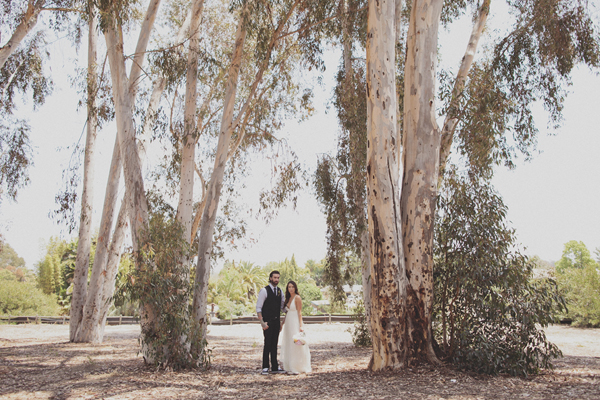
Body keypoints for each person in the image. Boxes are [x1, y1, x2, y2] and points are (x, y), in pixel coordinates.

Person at [256, 270, 286, 374]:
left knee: (274, 344)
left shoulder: (280, 291)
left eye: (278, 278)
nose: (276, 279)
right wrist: (262, 323)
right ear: (270, 278)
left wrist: (293, 309)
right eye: (274, 277)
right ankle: (265, 367)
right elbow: (258, 308)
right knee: (267, 344)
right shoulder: (264, 291)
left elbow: (283, 307)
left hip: (277, 322)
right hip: (267, 323)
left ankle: (274, 366)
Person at [280, 280, 312, 374]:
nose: (291, 289)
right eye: (289, 287)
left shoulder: (297, 298)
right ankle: (290, 365)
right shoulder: (288, 298)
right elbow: (287, 313)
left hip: (295, 322)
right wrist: (282, 323)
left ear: (295, 288)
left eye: (292, 287)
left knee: (297, 343)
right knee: (289, 342)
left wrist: (301, 326)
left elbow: (300, 312)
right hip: (288, 323)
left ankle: (298, 366)